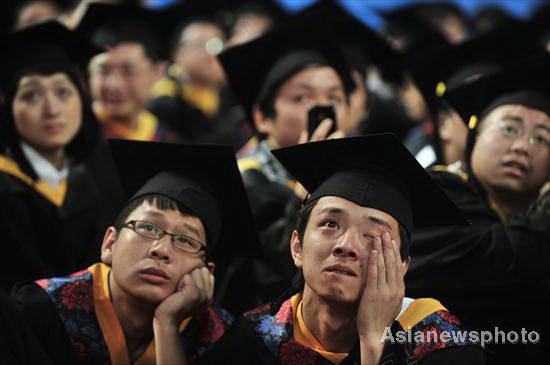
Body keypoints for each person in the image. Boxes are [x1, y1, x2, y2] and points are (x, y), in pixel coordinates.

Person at [166, 134, 485, 364]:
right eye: (330, 225)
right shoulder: (251, 342)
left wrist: (375, 343)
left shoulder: (437, 343)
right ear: (296, 247)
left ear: (402, 266)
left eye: (373, 235)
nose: (346, 246)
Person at [10, 138, 260, 364]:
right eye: (148, 227)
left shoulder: (220, 338)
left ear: (206, 272)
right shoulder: (38, 312)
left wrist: (167, 324)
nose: (161, 249)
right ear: (109, 244)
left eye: (185, 241)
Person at [405, 54, 550, 365]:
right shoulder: (435, 194)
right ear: (475, 136)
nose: (523, 146)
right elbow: (502, 259)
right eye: (510, 129)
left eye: (542, 139)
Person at [0, 21, 123, 293]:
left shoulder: (103, 171)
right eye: (31, 95)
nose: (52, 109)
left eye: (63, 92)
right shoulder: (6, 189)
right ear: (8, 108)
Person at [80, 4, 176, 142]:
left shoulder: (167, 137)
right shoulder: (75, 139)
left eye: (128, 72)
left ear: (157, 73)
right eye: (103, 71)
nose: (114, 84)